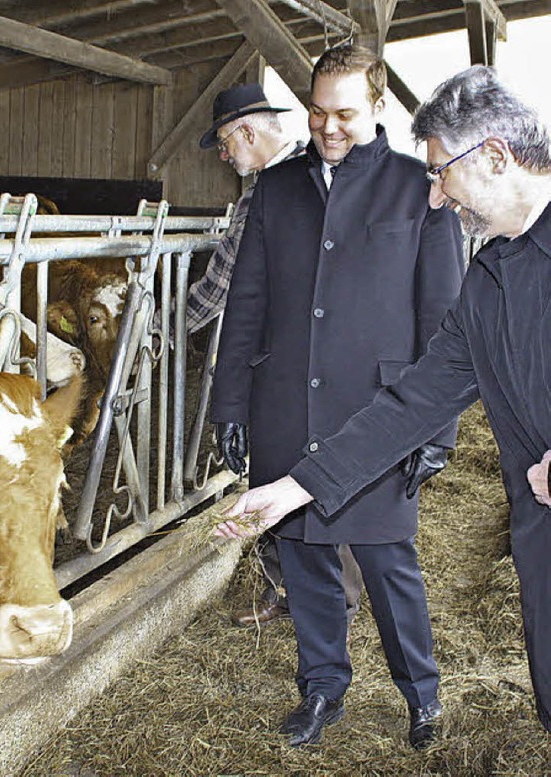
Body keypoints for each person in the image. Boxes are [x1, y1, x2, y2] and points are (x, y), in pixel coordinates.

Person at [216, 64, 551, 737]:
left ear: (491, 157)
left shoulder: (453, 228)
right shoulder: (491, 277)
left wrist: (440, 441)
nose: (433, 197)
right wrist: (290, 489)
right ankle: (324, 685)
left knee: (389, 560)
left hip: (487, 477)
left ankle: (419, 691)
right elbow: (420, 392)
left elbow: (426, 328)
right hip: (534, 527)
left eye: (441, 174)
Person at [193, 82, 364, 629]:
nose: (226, 158)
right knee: (312, 470)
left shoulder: (268, 190)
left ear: (245, 132)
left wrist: (161, 328)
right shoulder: (321, 177)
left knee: (292, 471)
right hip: (315, 359)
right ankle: (322, 596)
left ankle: (313, 597)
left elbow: (224, 283)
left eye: (224, 145)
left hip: (286, 361)